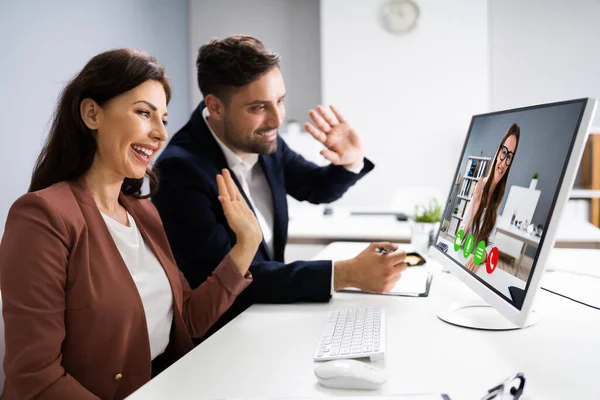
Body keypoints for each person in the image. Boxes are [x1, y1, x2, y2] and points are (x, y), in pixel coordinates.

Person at [0, 49, 263, 399]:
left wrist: (245, 246)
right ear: (92, 114)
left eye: (164, 119)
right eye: (144, 113)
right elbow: (36, 378)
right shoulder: (42, 218)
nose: (160, 134)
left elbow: (185, 319)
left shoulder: (143, 213)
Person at [152, 35, 407, 338]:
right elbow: (232, 280)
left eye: (280, 101)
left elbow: (314, 188)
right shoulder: (179, 171)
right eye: (259, 107)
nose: (277, 119)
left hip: (267, 318)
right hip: (222, 337)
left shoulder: (261, 138)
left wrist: (349, 161)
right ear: (216, 107)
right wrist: (346, 273)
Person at [462, 123, 521, 272]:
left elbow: (490, 244)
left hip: (474, 267)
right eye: (503, 152)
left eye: (509, 157)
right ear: (497, 152)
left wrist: (479, 257)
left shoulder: (497, 200)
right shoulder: (479, 187)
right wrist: (471, 216)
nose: (503, 161)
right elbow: (458, 236)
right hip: (461, 257)